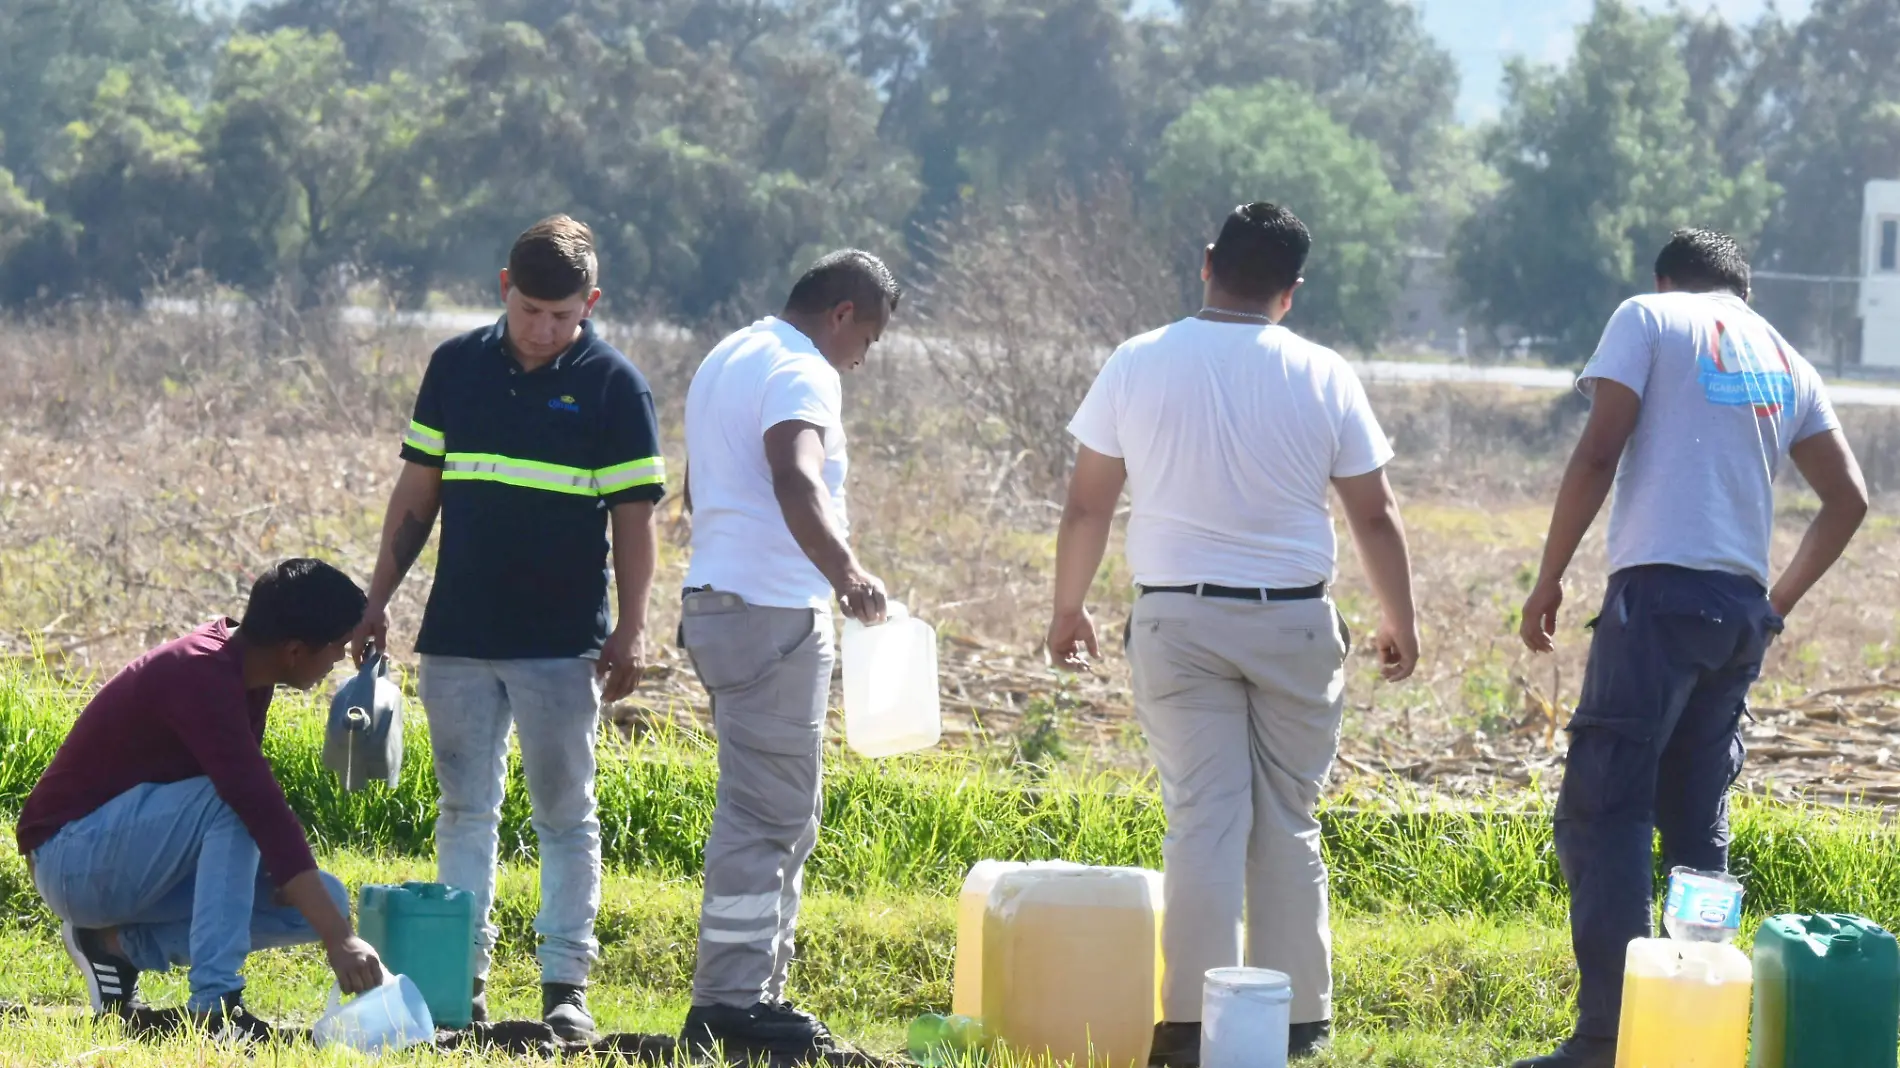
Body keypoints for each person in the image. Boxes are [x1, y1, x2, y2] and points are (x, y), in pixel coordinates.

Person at [1047, 202, 1420, 1066]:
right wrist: (1401, 619)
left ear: (1207, 262)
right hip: (1294, 620)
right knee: (1287, 821)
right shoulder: (1324, 373)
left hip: (1177, 619)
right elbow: (1375, 513)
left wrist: (1068, 607)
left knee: (1204, 820)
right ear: (1290, 294)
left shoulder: (1139, 361)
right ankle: (1297, 1026)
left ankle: (1189, 1026)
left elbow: (1087, 503)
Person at [1512, 229, 1869, 1068]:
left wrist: (1549, 577)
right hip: (1737, 611)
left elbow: (1601, 449)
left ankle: (1609, 1037)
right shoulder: (1787, 359)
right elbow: (1848, 498)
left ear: (1668, 278)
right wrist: (1772, 605)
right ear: (1742, 290)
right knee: (1696, 826)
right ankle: (1695, 1036)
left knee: (1606, 812)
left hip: (1657, 599)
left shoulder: (1649, 315)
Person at [357, 214, 665, 1042]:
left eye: (562, 316)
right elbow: (418, 495)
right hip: (456, 636)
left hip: (562, 645)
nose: (543, 329)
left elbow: (635, 524)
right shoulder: (454, 367)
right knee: (464, 810)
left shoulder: (614, 386)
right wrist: (378, 596)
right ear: (504, 289)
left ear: (590, 303)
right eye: (531, 310)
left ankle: (566, 983)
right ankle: (462, 980)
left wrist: (634, 625)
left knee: (566, 814)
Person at [675, 249, 899, 1058]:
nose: (861, 357)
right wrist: (849, 575)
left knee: (769, 808)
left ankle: (752, 990)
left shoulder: (729, 354)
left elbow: (700, 491)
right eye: (865, 338)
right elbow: (797, 477)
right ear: (842, 313)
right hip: (772, 612)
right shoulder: (804, 370)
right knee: (769, 815)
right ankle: (732, 1003)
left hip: (717, 602)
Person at [15, 559, 384, 1040]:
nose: (339, 660)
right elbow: (257, 807)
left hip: (130, 861)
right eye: (337, 648)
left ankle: (114, 946)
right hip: (70, 859)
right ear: (295, 650)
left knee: (320, 902)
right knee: (232, 806)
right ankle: (216, 1007)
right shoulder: (200, 676)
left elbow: (251, 814)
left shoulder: (248, 671)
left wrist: (333, 925)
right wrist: (340, 940)